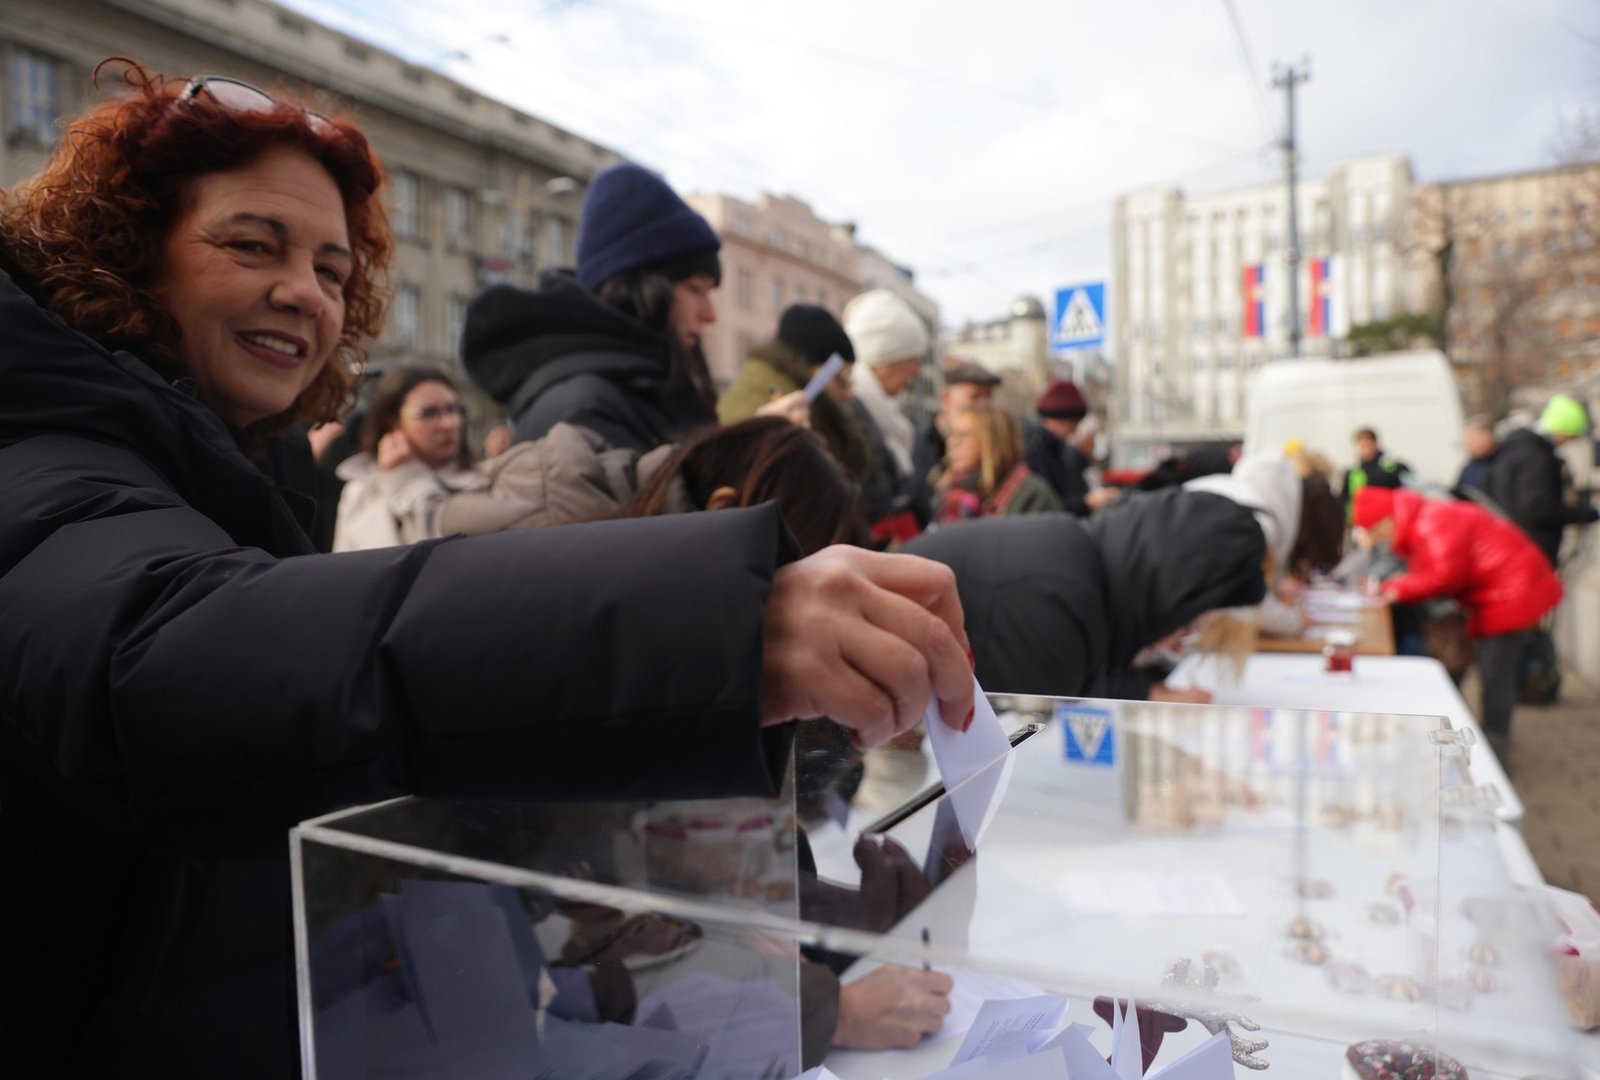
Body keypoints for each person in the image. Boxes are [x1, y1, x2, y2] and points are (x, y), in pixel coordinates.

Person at [0, 65, 975, 1076]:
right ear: (126, 248)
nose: (304, 292)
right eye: (252, 245)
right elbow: (177, 659)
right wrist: (704, 630)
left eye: (335, 272)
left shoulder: (231, 465)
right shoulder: (39, 450)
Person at [903, 487, 1270, 699]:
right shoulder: (1059, 604)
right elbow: (1047, 726)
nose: (1176, 641)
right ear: (1172, 595)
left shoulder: (1079, 564)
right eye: (1186, 622)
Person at [462, 161, 724, 455]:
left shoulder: (636, 387)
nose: (710, 314)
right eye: (695, 289)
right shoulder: (586, 407)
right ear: (642, 290)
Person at [1352, 487, 1563, 747]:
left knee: (1495, 675)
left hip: (1511, 592)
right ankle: (1485, 739)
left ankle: (1495, 747)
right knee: (1492, 672)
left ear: (1385, 521)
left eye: (1373, 532)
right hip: (1504, 589)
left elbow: (1444, 576)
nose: (1378, 539)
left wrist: (1396, 589)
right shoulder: (1425, 516)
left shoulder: (1430, 522)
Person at [717, 303, 877, 506]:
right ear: (814, 370)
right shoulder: (784, 408)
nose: (848, 394)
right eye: (840, 379)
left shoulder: (761, 389)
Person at [331, 364, 475, 551]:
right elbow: (344, 569)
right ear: (392, 421)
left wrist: (408, 478)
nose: (449, 423)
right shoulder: (360, 491)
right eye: (429, 413)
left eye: (454, 410)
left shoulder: (484, 483)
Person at [1485, 394, 1599, 567]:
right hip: (1533, 549)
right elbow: (1539, 508)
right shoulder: (1537, 457)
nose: (1568, 443)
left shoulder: (1516, 447)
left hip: (1513, 543)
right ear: (1562, 431)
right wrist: (1587, 513)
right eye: (1571, 437)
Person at [845, 288, 926, 479]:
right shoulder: (852, 413)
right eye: (911, 359)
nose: (917, 371)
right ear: (884, 360)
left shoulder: (882, 416)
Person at [933, 404, 1062, 523]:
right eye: (951, 434)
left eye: (964, 435)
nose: (952, 443)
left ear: (993, 441)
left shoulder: (1031, 494)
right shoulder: (949, 492)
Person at [1023, 377, 1114, 516]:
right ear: (1058, 420)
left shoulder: (1053, 448)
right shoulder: (1037, 450)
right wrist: (1086, 503)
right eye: (1073, 424)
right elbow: (1048, 504)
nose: (1074, 431)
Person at [911, 360, 1000, 494]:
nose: (984, 405)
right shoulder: (922, 440)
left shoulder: (999, 440)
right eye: (974, 397)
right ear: (946, 397)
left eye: (988, 397)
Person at [1339, 426, 1411, 510]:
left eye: (1368, 444)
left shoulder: (1393, 468)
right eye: (1362, 445)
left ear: (1375, 444)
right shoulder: (1352, 474)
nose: (1365, 449)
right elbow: (1346, 501)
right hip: (1361, 520)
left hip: (1389, 518)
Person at [1453, 415, 1499, 502]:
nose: (1468, 444)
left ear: (1488, 437)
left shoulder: (1503, 463)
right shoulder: (1469, 467)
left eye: (1472, 439)